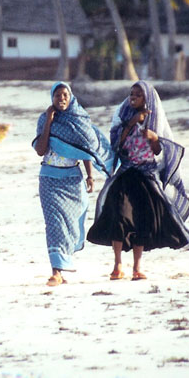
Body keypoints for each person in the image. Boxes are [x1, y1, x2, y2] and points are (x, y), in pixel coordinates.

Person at [87, 81, 189, 281]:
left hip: (146, 177)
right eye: (132, 94)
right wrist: (131, 124)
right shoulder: (123, 117)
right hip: (126, 175)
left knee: (143, 221)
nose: (133, 97)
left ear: (147, 98)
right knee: (120, 216)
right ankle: (117, 265)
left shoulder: (155, 120)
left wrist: (154, 139)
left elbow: (159, 152)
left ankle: (137, 267)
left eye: (138, 95)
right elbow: (117, 146)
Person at [33, 81, 114, 287]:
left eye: (65, 95)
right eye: (57, 95)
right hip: (49, 180)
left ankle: (63, 264)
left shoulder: (79, 119)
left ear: (71, 98)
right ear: (51, 98)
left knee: (70, 225)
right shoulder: (44, 119)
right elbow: (40, 150)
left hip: (72, 180)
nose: (61, 99)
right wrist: (50, 121)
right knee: (54, 225)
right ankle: (56, 271)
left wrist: (89, 175)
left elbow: (84, 148)